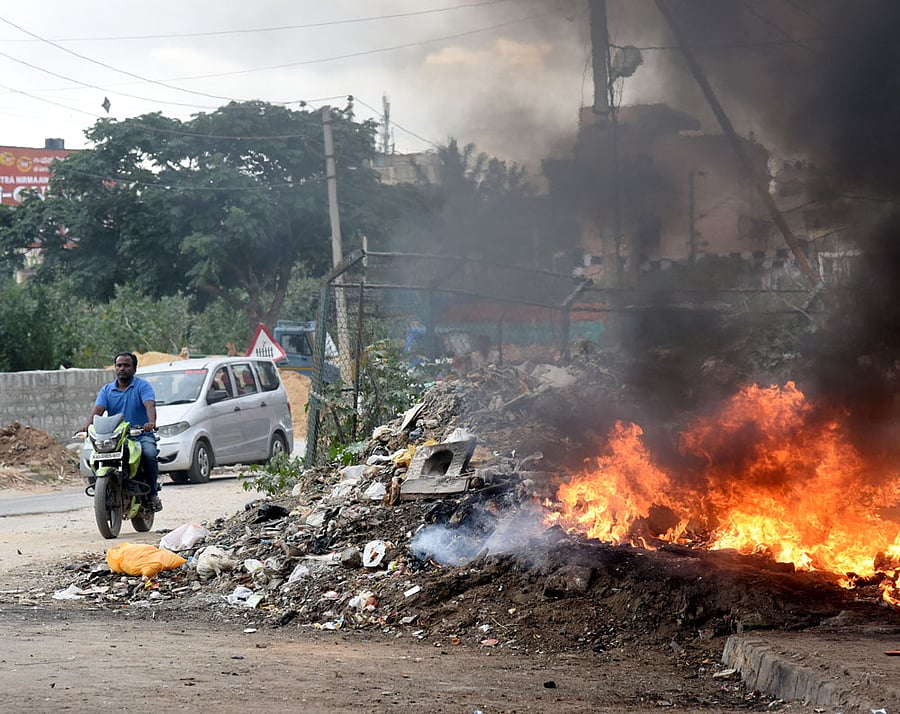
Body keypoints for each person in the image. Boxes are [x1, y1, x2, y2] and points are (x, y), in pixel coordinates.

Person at [86, 352, 162, 512]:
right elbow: (98, 410)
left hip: (140, 435)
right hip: (116, 437)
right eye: (119, 365)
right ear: (115, 368)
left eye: (126, 365)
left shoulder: (142, 386)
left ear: (134, 369)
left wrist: (151, 423)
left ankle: (152, 494)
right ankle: (103, 490)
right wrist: (87, 426)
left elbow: (149, 405)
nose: (122, 368)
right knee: (94, 456)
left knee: (149, 454)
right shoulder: (107, 390)